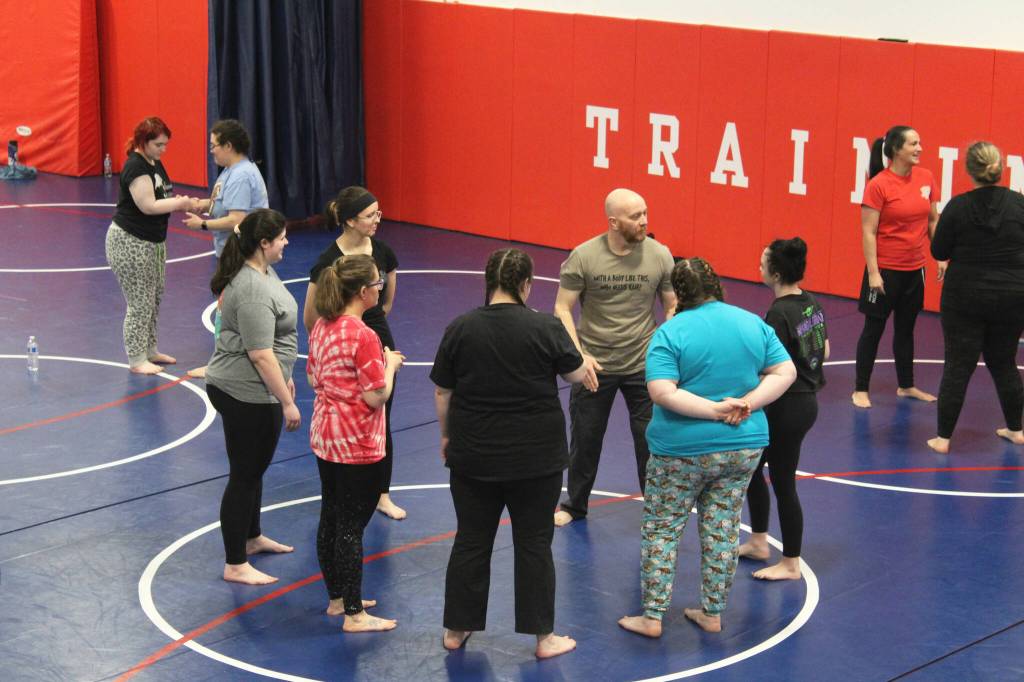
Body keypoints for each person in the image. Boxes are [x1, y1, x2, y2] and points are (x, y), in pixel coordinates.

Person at [618, 258, 796, 638]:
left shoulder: (671, 332)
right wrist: (748, 402)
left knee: (662, 529)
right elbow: (786, 371)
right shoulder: (751, 322)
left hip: (680, 450)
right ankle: (712, 613)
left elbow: (661, 392)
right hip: (743, 447)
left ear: (678, 293)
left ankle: (651, 617)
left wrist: (713, 410)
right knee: (722, 527)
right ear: (717, 285)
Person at [431, 248, 586, 658]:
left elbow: (443, 391)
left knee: (471, 540)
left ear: (489, 282)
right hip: (536, 460)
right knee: (535, 543)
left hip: (474, 455)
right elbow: (575, 373)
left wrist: (448, 436)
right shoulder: (546, 327)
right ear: (526, 285)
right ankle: (543, 639)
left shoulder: (461, 327)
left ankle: (456, 629)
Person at [553, 188, 676, 527]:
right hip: (595, 365)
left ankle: (655, 509)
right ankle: (575, 505)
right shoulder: (583, 256)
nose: (644, 221)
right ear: (614, 222)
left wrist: (667, 348)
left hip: (644, 365)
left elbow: (671, 305)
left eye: (645, 213)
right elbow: (562, 308)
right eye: (636, 216)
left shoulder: (660, 255)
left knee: (650, 442)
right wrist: (579, 357)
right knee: (585, 440)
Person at [307, 254, 404, 632]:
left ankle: (338, 598)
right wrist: (390, 364)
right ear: (364, 292)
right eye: (378, 284)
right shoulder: (366, 336)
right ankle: (354, 614)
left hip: (325, 436)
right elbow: (376, 396)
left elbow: (315, 379)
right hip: (357, 443)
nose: (381, 289)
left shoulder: (321, 327)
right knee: (350, 526)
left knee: (330, 515)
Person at [205, 209, 300, 585]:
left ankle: (252, 536)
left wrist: (285, 378)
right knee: (245, 474)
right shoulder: (252, 289)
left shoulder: (264, 271)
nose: (286, 242)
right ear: (264, 243)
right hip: (243, 391)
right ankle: (234, 563)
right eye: (281, 237)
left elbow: (271, 349)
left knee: (254, 468)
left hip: (259, 387)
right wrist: (287, 401)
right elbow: (259, 353)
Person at [305, 186, 406, 520]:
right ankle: (344, 473)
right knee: (347, 408)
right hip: (344, 337)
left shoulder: (384, 252)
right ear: (349, 221)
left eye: (379, 212)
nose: (378, 219)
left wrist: (369, 331)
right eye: (370, 215)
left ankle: (382, 493)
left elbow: (387, 300)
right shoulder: (327, 262)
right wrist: (342, 336)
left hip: (374, 332)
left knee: (381, 417)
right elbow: (311, 316)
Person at [738, 238, 829, 581]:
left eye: (762, 263)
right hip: (805, 400)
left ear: (775, 273)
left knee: (782, 481)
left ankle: (791, 562)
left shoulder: (778, 313)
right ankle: (760, 541)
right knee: (753, 469)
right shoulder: (811, 303)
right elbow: (825, 348)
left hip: (788, 405)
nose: (758, 268)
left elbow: (767, 365)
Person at [927, 142, 1024, 453]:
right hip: (1012, 295)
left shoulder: (958, 206)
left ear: (969, 171)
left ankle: (943, 439)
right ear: (1000, 168)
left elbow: (939, 250)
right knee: (1004, 362)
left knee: (958, 365)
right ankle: (1016, 429)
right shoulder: (1019, 205)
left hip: (965, 297)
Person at [852, 125, 941, 409]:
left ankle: (906, 385)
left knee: (906, 328)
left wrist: (940, 255)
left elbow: (932, 220)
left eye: (920, 142)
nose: (920, 149)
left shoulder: (926, 177)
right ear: (896, 150)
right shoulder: (878, 184)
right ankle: (861, 389)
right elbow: (868, 232)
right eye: (913, 144)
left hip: (915, 270)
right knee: (873, 328)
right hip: (885, 271)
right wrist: (874, 272)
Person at [105, 117, 194, 374]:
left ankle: (150, 349)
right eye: (159, 144)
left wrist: (185, 203)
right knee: (139, 302)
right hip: (130, 242)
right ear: (144, 142)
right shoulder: (135, 166)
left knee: (154, 298)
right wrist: (180, 203)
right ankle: (136, 359)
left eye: (165, 144)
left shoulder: (153, 161)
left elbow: (161, 196)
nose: (163, 149)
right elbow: (148, 206)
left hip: (153, 243)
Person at [183, 119, 269, 379]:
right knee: (231, 308)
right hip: (231, 252)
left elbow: (237, 219)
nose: (212, 151)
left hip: (240, 254)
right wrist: (203, 204)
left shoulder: (241, 175)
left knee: (230, 310)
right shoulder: (231, 171)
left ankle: (223, 364)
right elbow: (222, 202)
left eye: (214, 146)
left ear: (229, 146)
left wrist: (204, 225)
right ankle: (235, 360)